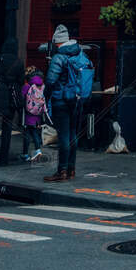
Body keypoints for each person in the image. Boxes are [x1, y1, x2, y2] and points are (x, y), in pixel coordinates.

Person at [44, 24, 87, 183]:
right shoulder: (80, 53)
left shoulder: (59, 57)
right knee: (73, 135)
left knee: (63, 136)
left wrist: (45, 96)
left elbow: (50, 81)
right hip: (76, 100)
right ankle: (71, 169)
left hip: (61, 100)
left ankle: (61, 171)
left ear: (57, 42)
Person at [21, 65, 46, 163]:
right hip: (38, 114)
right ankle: (38, 150)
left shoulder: (27, 86)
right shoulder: (41, 86)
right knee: (35, 133)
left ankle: (25, 154)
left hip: (27, 114)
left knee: (27, 134)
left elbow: (22, 98)